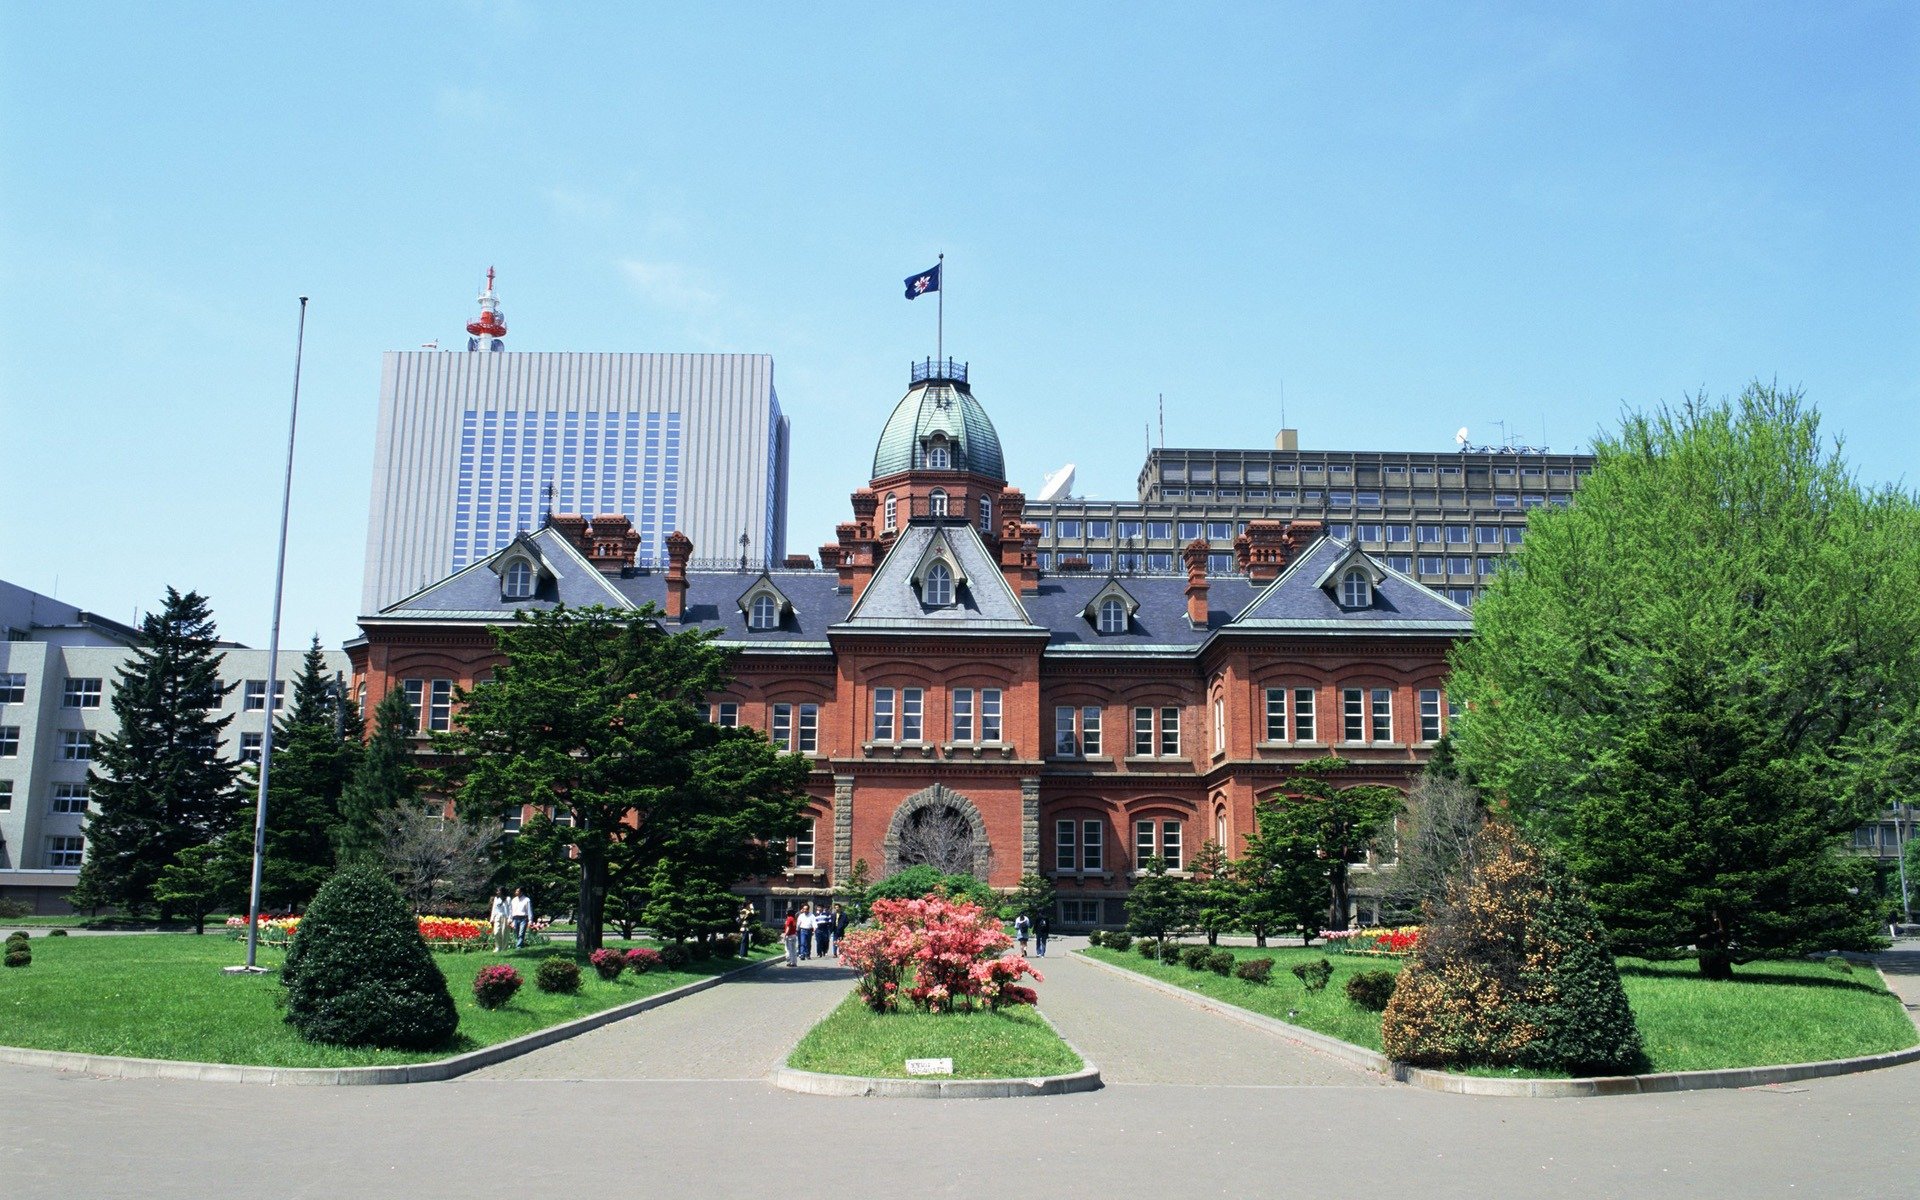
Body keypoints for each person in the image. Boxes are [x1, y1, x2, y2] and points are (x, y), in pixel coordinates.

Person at [490, 889, 511, 954]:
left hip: (505, 917)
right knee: (496, 932)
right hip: (497, 917)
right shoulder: (496, 899)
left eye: (498, 891)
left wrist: (510, 918)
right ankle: (498, 947)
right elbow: (494, 909)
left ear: (502, 891)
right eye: (497, 891)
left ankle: (504, 948)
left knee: (504, 933)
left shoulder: (508, 898)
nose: (497, 892)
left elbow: (510, 909)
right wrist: (492, 918)